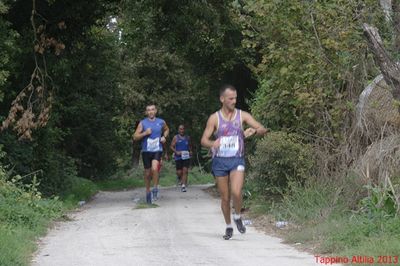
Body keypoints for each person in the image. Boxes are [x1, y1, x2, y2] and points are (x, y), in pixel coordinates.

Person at [201, 84, 267, 240]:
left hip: (237, 159)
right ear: (222, 99)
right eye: (231, 98)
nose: (234, 101)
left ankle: (237, 215)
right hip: (220, 161)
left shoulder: (242, 115)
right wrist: (212, 144)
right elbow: (203, 139)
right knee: (225, 197)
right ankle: (229, 226)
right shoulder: (214, 118)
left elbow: (262, 128)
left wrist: (255, 131)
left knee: (236, 192)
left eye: (235, 98)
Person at [133, 104, 169, 204]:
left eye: (152, 110)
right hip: (146, 151)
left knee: (154, 168)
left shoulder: (161, 122)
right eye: (148, 110)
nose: (151, 112)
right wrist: (144, 133)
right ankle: (148, 191)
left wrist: (164, 137)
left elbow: (167, 129)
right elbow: (135, 137)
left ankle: (155, 188)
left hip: (157, 149)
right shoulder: (142, 123)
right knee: (148, 173)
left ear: (156, 111)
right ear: (146, 112)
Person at [170, 125, 192, 192]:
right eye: (180, 129)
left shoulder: (187, 138)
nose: (182, 130)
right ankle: (180, 178)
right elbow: (171, 146)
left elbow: (190, 146)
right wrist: (176, 152)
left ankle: (183, 186)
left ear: (184, 130)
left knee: (185, 171)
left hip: (186, 157)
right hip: (178, 157)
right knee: (179, 172)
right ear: (178, 130)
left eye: (183, 129)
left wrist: (191, 151)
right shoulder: (175, 137)